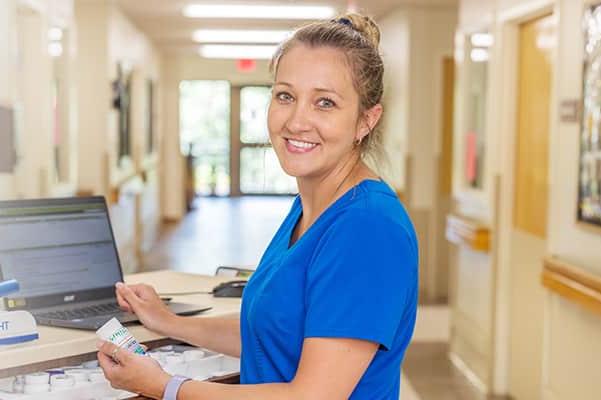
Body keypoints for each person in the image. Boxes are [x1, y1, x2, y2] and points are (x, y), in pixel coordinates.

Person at [94, 12, 418, 400]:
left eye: (325, 103)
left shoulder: (367, 228)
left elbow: (312, 396)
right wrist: (170, 322)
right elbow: (270, 333)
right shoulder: (310, 207)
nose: (297, 121)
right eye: (285, 95)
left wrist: (165, 387)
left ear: (366, 120)